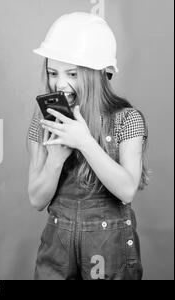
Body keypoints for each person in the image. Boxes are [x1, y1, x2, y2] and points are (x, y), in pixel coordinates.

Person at [27, 12, 148, 280]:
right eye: (52, 73)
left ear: (97, 73)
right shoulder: (43, 120)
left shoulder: (127, 120)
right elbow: (36, 199)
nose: (60, 84)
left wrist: (84, 141)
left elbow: (126, 190)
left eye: (72, 73)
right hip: (57, 248)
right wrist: (55, 158)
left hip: (108, 250)